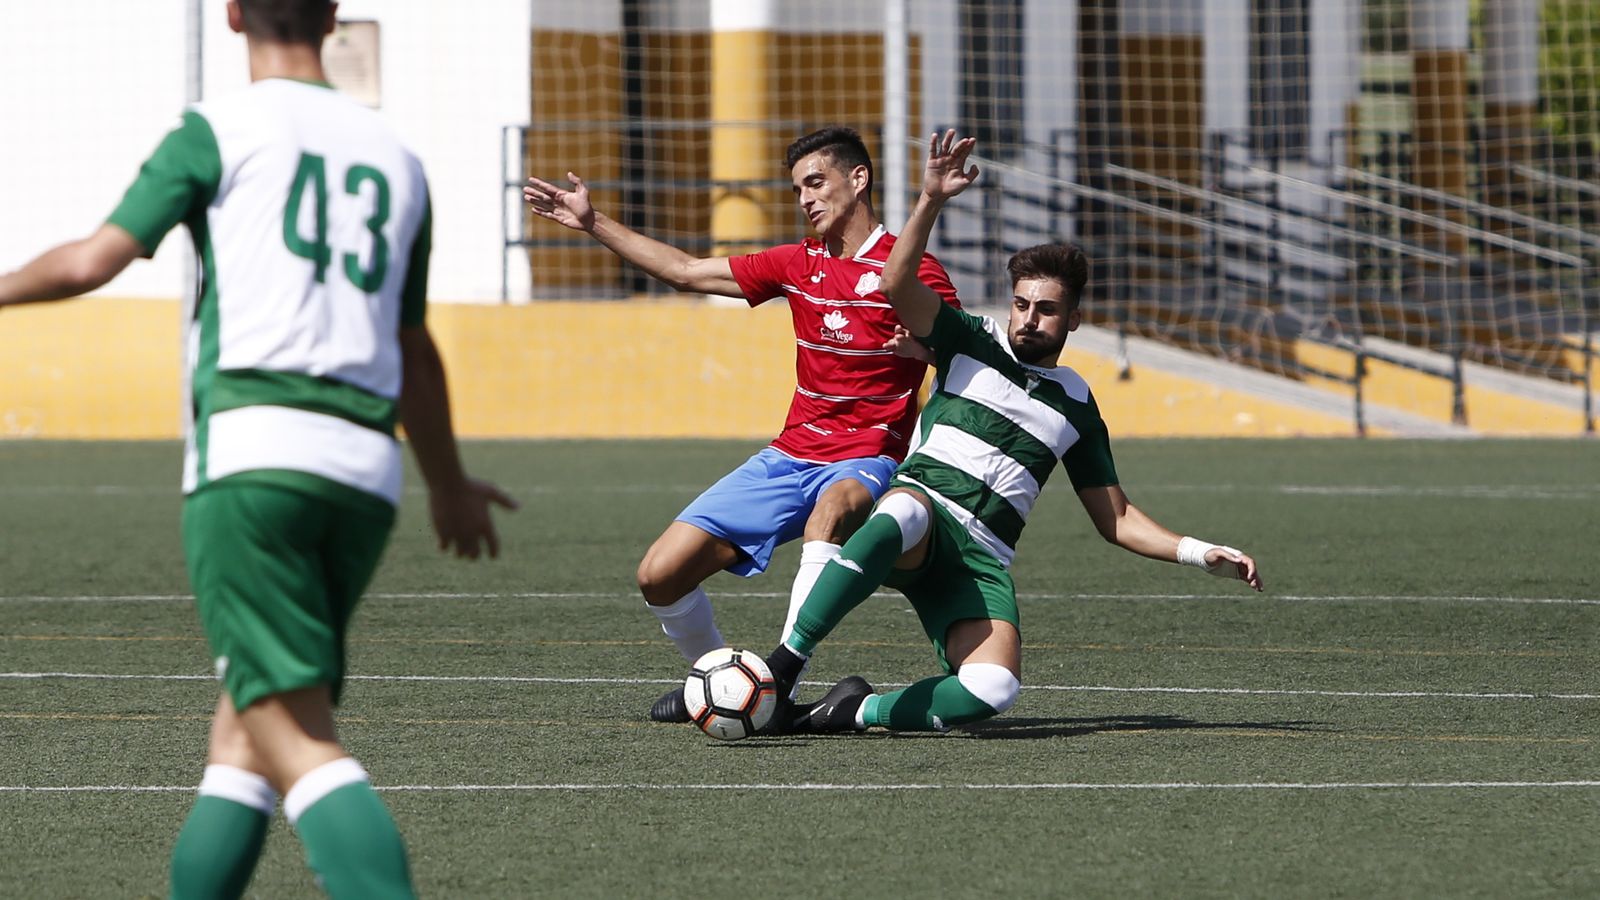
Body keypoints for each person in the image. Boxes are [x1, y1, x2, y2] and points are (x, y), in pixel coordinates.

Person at [0, 2, 516, 897]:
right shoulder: (397, 157)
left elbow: (92, 262)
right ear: (333, 15)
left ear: (233, 15)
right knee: (240, 742)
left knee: (294, 733)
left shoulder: (215, 131)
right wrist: (448, 481)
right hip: (363, 472)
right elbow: (413, 345)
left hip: (253, 458)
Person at [763, 130, 1264, 734]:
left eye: (1046, 309)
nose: (1029, 318)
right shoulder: (969, 338)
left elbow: (1117, 519)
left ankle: (844, 712)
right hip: (923, 514)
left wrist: (1198, 552)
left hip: (979, 561)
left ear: (1073, 319)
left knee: (993, 689)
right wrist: (930, 200)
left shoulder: (1078, 404)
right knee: (904, 514)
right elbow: (895, 284)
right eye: (1022, 303)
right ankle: (782, 670)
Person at [524, 126, 961, 723]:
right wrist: (594, 221)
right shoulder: (796, 264)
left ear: (858, 180)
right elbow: (685, 270)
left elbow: (965, 360)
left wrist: (927, 354)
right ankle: (722, 685)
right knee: (659, 574)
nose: (805, 198)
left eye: (816, 182)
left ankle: (779, 675)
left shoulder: (912, 273)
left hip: (869, 459)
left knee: (830, 510)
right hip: (789, 455)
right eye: (798, 189)